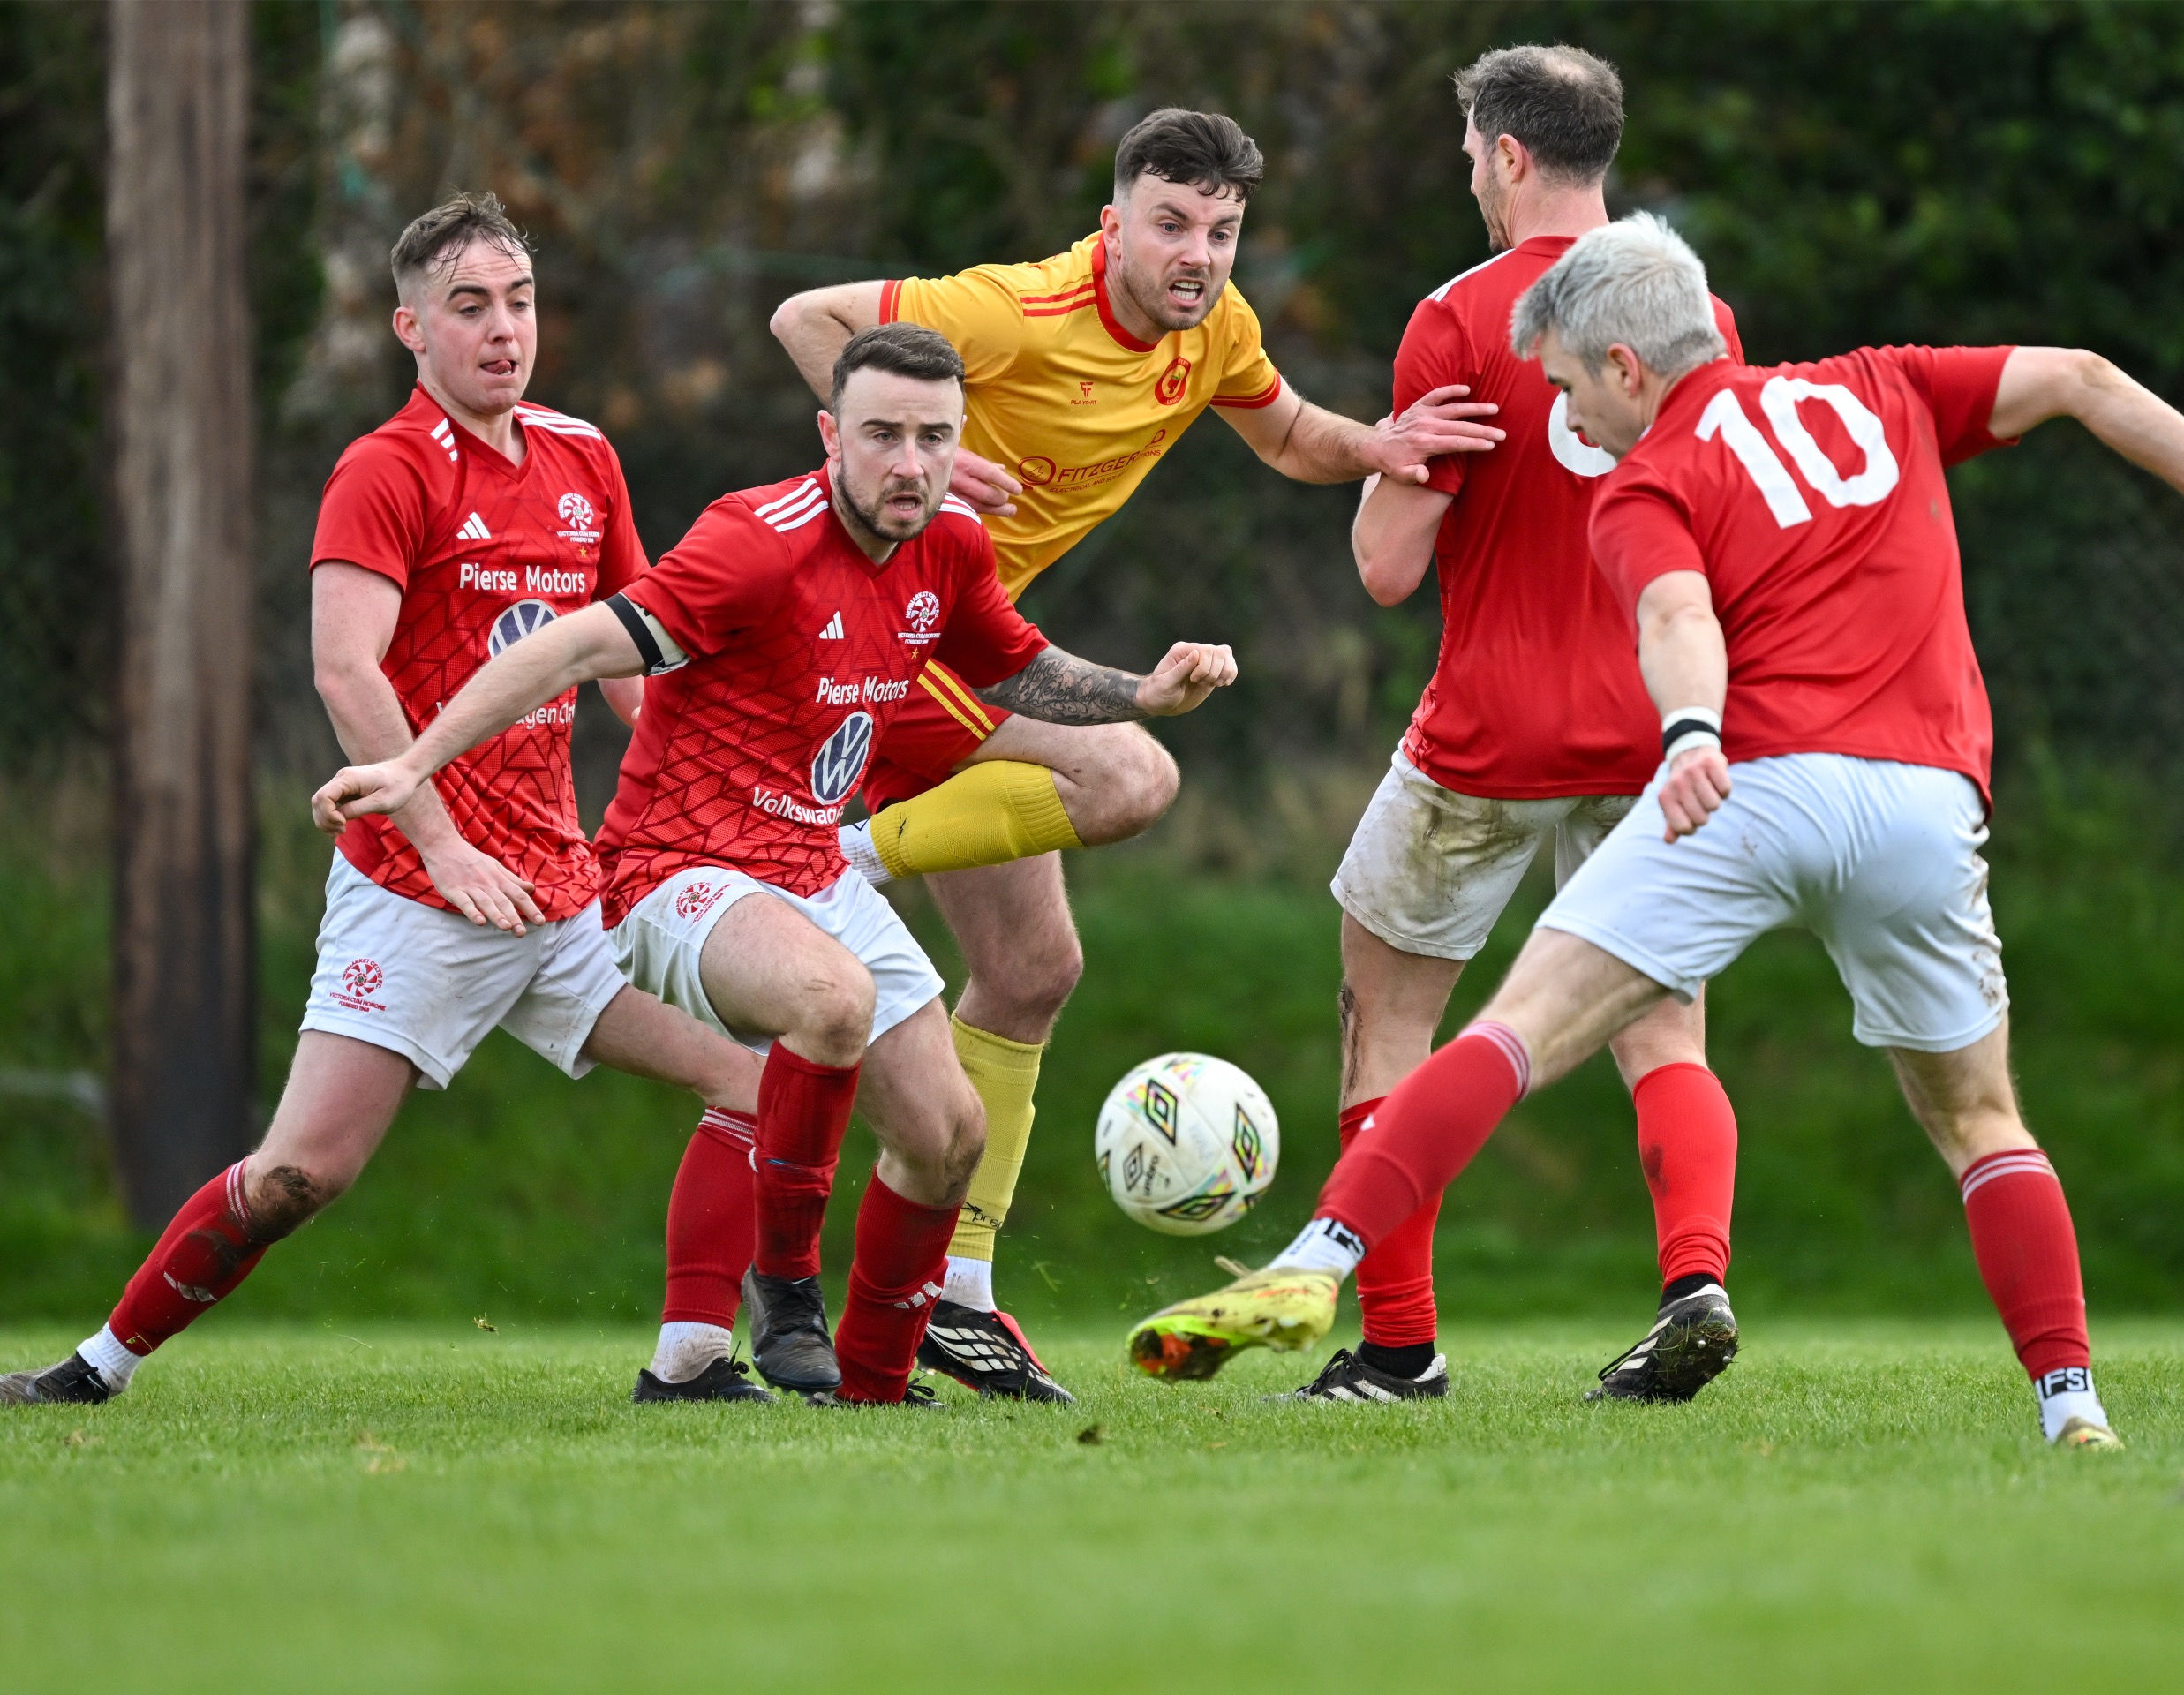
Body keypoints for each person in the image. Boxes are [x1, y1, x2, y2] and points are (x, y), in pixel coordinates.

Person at [1129, 211, 2184, 1452]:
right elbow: (2080, 378)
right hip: (1922, 804)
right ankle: (2073, 1405)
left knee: (1513, 1028)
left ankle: (1314, 1259)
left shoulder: (1648, 479)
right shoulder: (1880, 382)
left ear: (1625, 365)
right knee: (1979, 1120)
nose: (1568, 416)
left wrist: (1689, 732)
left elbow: (1680, 615)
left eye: (1570, 386)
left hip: (1745, 786)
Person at [312, 323, 1239, 1406]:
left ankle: (875, 1387)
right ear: (828, 435)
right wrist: (413, 760)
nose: (909, 462)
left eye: (933, 437)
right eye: (881, 433)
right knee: (828, 999)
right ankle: (785, 1288)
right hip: (671, 867)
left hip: (806, 864)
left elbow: (1019, 669)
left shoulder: (948, 544)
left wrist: (1144, 694)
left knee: (948, 1136)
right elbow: (566, 645)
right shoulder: (755, 540)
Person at [768, 109, 1501, 1397]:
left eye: (1220, 231)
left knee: (1033, 968)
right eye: (1170, 224)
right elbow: (804, 320)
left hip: (961, 651)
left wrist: (1379, 445)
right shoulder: (1010, 309)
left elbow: (1283, 433)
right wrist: (927, 455)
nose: (1197, 254)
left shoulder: (1212, 333)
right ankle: (839, 857)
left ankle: (959, 1285)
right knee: (1124, 775)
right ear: (1114, 223)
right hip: (881, 636)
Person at [1, 194, 772, 1412]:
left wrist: (722, 790)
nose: (503, 330)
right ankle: (90, 1369)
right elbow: (344, 668)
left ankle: (691, 1362)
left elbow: (630, 660)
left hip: (559, 890)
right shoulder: (384, 468)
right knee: (302, 1172)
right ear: (408, 326)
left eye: (518, 301)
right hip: (418, 889)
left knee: (752, 1079)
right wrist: (441, 840)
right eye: (469, 306)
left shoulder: (584, 455)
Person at [1299, 44, 1748, 1408]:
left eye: (1470, 160)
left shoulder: (1455, 315)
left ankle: (1394, 1346)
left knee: (1389, 1020)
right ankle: (1692, 1278)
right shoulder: (1697, 311)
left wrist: (1390, 448)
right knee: (1662, 1028)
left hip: (1482, 738)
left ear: (1503, 154)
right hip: (1655, 729)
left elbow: (1384, 567)